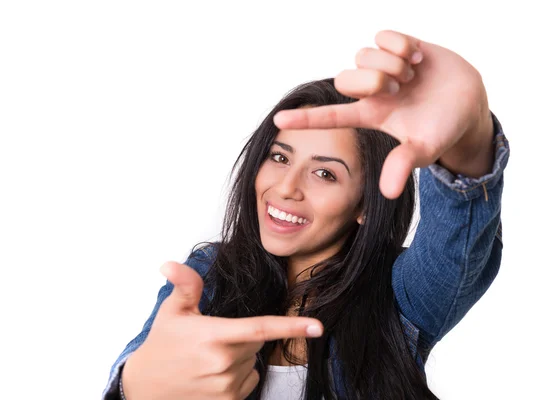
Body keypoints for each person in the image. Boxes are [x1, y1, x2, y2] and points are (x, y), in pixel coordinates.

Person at [102, 30, 509, 400]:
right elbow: (146, 362)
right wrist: (137, 386)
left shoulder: (401, 294)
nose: (285, 187)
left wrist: (469, 139)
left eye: (324, 173)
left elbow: (456, 240)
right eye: (279, 157)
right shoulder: (210, 274)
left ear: (367, 205)